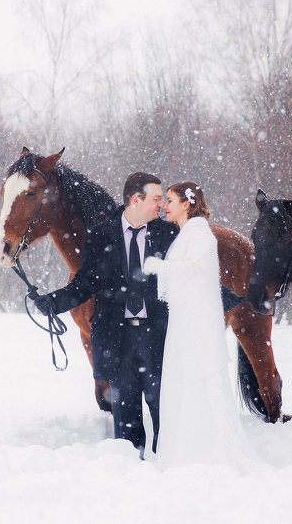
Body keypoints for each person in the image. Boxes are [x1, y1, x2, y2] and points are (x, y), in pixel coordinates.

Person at [32, 172, 175, 457]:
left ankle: (168, 469)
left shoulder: (169, 234)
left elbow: (187, 278)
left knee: (166, 412)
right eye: (157, 198)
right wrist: (54, 302)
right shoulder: (100, 235)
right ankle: (132, 472)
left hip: (159, 338)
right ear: (136, 199)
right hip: (118, 340)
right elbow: (86, 282)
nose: (161, 205)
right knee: (125, 415)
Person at [142, 181, 254, 468]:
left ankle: (211, 453)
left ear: (186, 204)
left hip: (197, 324)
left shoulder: (200, 233)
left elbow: (196, 271)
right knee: (184, 383)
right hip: (185, 321)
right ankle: (188, 451)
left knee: (200, 382)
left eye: (169, 200)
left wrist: (161, 267)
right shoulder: (186, 233)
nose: (164, 206)